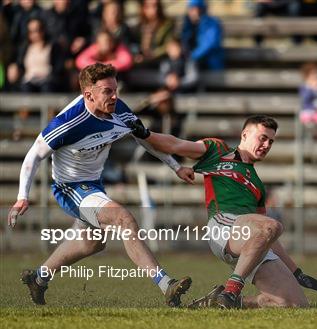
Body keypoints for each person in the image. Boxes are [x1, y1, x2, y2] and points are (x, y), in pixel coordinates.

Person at [7, 63, 193, 307]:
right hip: (70, 188)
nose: (115, 96)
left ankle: (39, 278)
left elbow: (146, 139)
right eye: (107, 91)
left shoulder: (119, 111)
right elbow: (34, 155)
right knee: (124, 219)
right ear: (88, 95)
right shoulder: (68, 122)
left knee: (92, 243)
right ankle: (166, 285)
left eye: (116, 90)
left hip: (94, 185)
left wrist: (176, 167)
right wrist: (23, 196)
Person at [128, 115, 317, 309]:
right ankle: (231, 290)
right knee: (271, 225)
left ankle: (218, 301)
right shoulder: (218, 150)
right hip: (222, 226)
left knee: (293, 303)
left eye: (271, 142)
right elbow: (175, 145)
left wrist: (297, 272)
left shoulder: (258, 185)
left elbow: (268, 237)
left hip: (247, 237)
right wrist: (146, 134)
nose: (267, 145)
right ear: (244, 135)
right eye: (263, 138)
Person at [180, 0, 224, 71]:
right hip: (193, 63)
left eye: (195, 8)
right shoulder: (188, 24)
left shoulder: (212, 23)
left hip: (210, 63)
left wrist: (191, 56)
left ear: (202, 9)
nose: (193, 11)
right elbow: (184, 41)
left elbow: (209, 45)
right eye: (191, 8)